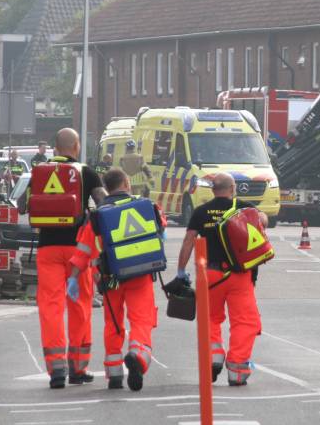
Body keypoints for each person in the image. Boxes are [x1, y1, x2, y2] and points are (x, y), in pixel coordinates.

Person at [70, 168, 165, 391]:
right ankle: (138, 355)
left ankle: (114, 373)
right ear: (127, 183)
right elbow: (161, 226)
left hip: (110, 278)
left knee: (113, 323)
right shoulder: (144, 205)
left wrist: (73, 278)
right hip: (140, 273)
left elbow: (83, 249)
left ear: (107, 187)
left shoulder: (98, 215)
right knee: (141, 320)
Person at [174, 172, 267, 386]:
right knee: (245, 321)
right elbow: (262, 220)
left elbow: (188, 241)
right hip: (239, 276)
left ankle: (214, 355)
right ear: (232, 188)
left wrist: (180, 270)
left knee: (210, 318)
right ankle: (237, 369)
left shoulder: (201, 212)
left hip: (211, 275)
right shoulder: (243, 207)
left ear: (212, 190)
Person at [37, 128, 106, 389]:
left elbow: (22, 204)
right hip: (79, 249)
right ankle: (78, 368)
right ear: (76, 146)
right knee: (79, 305)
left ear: (55, 147)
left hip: (47, 248)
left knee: (51, 306)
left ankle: (56, 370)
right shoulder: (86, 172)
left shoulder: (40, 172)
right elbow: (104, 205)